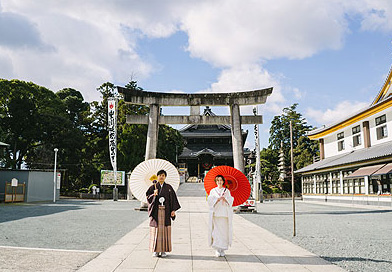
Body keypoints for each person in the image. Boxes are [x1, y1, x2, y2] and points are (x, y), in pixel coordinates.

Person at [146, 169, 181, 257]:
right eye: (160, 175)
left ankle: (164, 250)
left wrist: (173, 210)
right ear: (157, 177)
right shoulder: (153, 187)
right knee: (156, 231)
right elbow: (148, 197)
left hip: (166, 211)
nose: (161, 177)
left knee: (165, 231)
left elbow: (173, 199)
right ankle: (156, 250)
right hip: (156, 212)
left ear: (165, 177)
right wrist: (153, 195)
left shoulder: (168, 187)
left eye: (163, 175)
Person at [207, 175, 233, 257]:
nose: (219, 182)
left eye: (221, 180)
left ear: (223, 181)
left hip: (224, 213)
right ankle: (217, 249)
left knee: (224, 232)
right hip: (217, 213)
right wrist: (216, 199)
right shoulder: (213, 191)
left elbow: (231, 199)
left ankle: (223, 249)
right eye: (218, 180)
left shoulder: (227, 191)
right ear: (216, 181)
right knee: (217, 231)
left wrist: (226, 199)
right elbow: (210, 200)